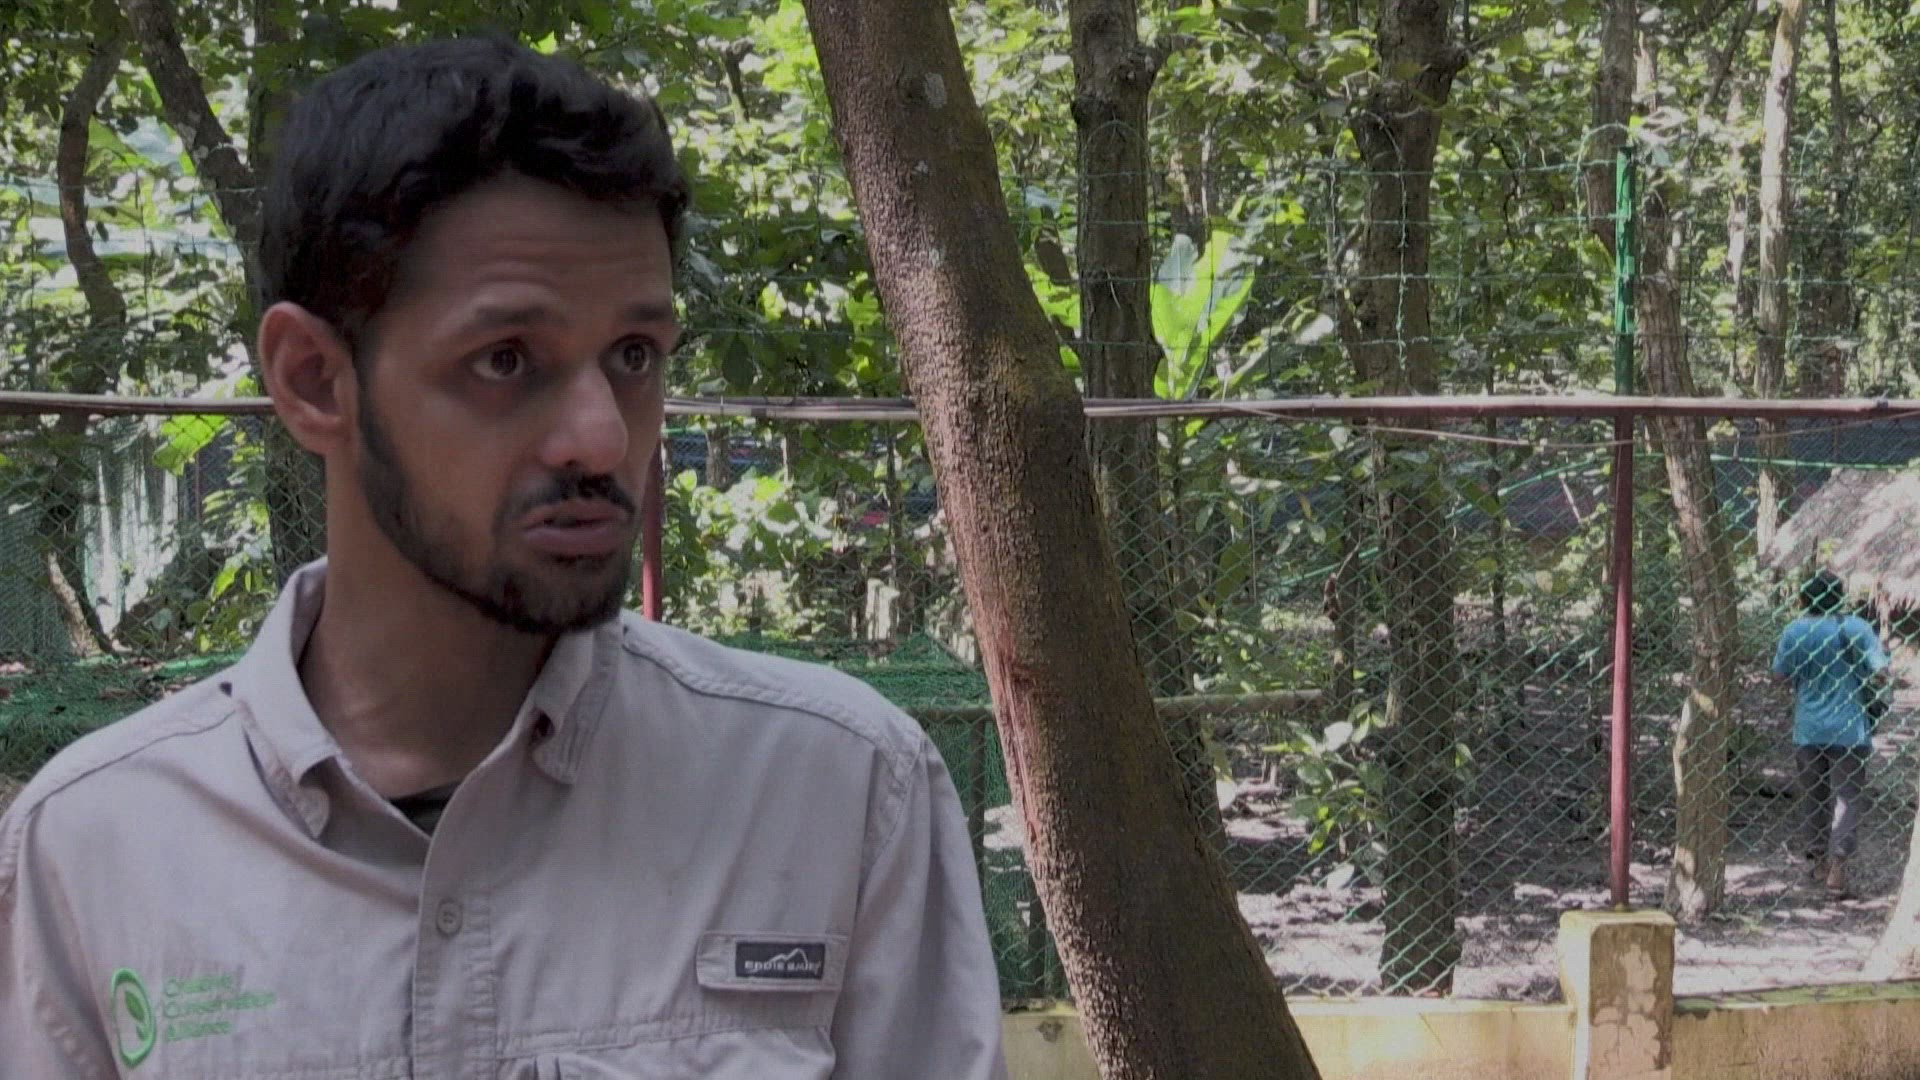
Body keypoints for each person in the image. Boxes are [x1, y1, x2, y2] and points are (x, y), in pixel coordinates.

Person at [0, 37, 1008, 1078]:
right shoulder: (94, 853)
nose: (602, 439)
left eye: (634, 355)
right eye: (506, 359)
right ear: (313, 380)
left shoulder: (836, 793)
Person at [1772, 569, 1891, 900]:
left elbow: (1779, 676)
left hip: (1809, 729)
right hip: (1850, 729)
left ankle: (1817, 861)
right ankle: (1838, 866)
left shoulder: (1795, 630)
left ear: (1804, 598)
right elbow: (1881, 673)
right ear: (1839, 597)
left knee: (1814, 796)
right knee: (1847, 797)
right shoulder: (1856, 627)